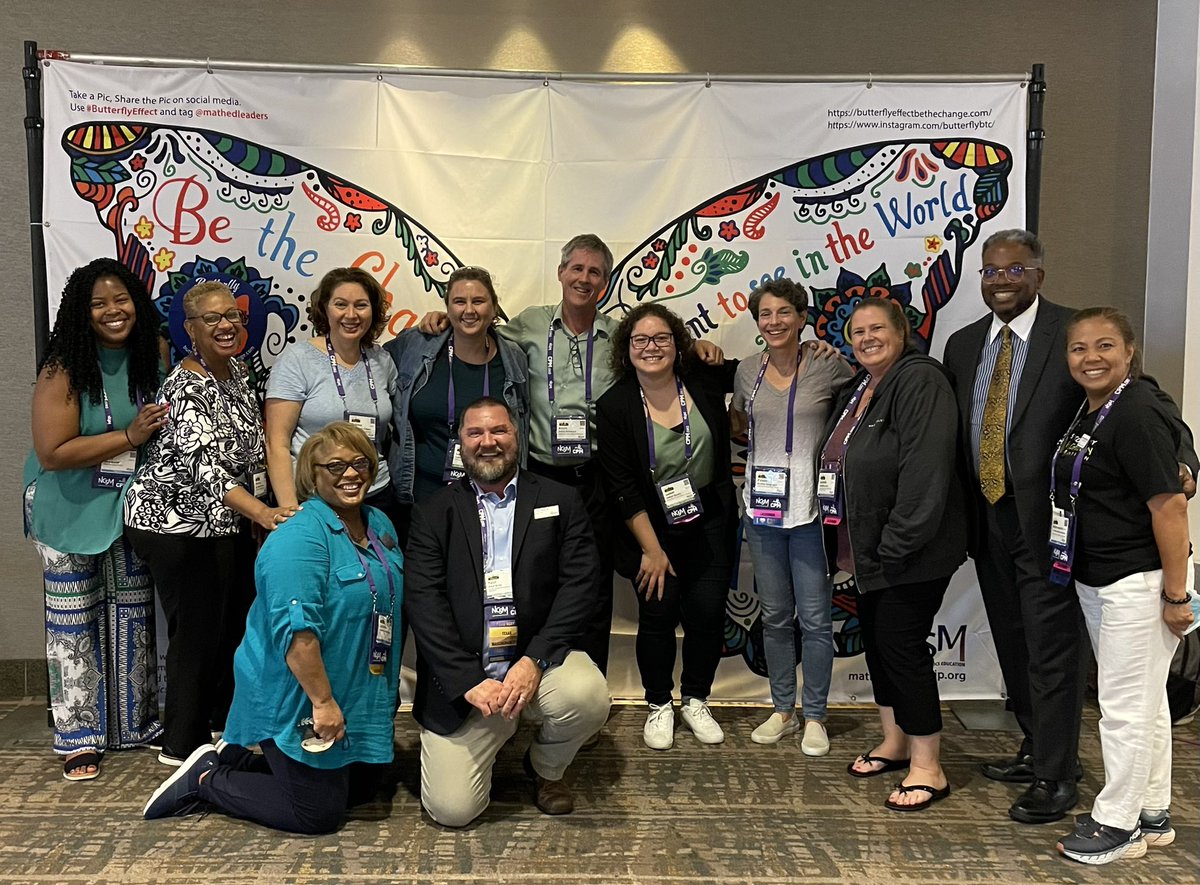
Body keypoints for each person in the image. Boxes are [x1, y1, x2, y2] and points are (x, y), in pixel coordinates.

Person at [941, 229, 1198, 825]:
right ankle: (1037, 746)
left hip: (1055, 531)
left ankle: (1058, 776)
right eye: (990, 271)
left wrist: (1184, 459)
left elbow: (1148, 400)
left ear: (1038, 274)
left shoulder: (1073, 333)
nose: (1001, 279)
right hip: (990, 523)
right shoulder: (961, 344)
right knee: (1013, 642)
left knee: (1053, 653)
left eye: (1014, 269)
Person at [141, 423, 405, 834]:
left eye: (359, 463)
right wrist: (323, 703)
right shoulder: (298, 538)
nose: (350, 474)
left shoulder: (379, 524)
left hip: (354, 689)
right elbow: (296, 635)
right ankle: (209, 779)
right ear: (311, 475)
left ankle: (241, 759)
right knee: (317, 813)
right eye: (335, 466)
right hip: (299, 694)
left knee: (362, 791)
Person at [404, 396, 610, 827]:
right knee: (453, 812)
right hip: (469, 684)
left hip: (532, 666)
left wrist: (534, 660)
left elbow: (581, 586)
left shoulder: (561, 500)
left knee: (587, 695)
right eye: (475, 432)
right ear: (459, 442)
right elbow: (425, 604)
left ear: (517, 435)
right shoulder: (432, 512)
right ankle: (494, 732)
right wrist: (468, 681)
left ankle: (545, 768)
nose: (487, 442)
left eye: (498, 430)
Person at [124, 280, 299, 765]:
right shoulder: (185, 385)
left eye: (233, 317)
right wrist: (264, 513)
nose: (226, 326)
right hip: (176, 523)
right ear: (190, 330)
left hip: (225, 522)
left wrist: (262, 508)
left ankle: (223, 724)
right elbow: (207, 470)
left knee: (233, 625)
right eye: (212, 319)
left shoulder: (236, 371)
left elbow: (250, 451)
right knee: (198, 632)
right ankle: (180, 742)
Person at [1050, 308, 1193, 864]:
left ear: (1129, 351)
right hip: (1100, 577)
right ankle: (1152, 812)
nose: (1091, 357)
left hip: (1136, 580)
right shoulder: (1093, 411)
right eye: (1079, 348)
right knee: (1146, 703)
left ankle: (1118, 824)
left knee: (1124, 709)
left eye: (1104, 345)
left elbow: (1170, 506)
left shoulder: (1135, 411)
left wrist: (1176, 596)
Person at [24, 258, 169, 781]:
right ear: (81, 314)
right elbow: (52, 451)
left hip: (127, 503)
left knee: (133, 610)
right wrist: (128, 439)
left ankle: (135, 722)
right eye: (99, 304)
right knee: (73, 619)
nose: (113, 311)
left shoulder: (152, 350)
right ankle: (77, 735)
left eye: (121, 299)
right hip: (66, 504)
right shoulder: (64, 366)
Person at [821, 298, 966, 811]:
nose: (866, 338)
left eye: (877, 328)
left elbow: (925, 472)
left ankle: (930, 765)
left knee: (901, 648)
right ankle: (896, 741)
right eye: (857, 331)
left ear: (902, 331)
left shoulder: (919, 380)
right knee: (880, 646)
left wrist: (896, 546)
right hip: (866, 552)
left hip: (909, 552)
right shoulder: (862, 386)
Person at [596, 303, 738, 750]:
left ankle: (696, 698)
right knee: (657, 616)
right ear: (627, 349)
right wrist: (652, 551)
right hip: (650, 528)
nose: (651, 348)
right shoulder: (615, 405)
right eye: (641, 340)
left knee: (708, 615)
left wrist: (812, 349)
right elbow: (621, 486)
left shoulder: (704, 381)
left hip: (710, 519)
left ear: (678, 345)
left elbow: (766, 369)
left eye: (661, 339)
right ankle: (658, 703)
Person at [729, 278, 852, 755]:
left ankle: (816, 715)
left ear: (803, 318)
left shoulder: (827, 365)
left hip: (810, 512)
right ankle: (782, 708)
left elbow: (861, 405)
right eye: (765, 314)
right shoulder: (746, 371)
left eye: (784, 313)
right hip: (761, 512)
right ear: (757, 322)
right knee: (776, 616)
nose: (774, 322)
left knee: (817, 620)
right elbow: (738, 422)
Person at [385, 266, 528, 540]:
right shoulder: (416, 345)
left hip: (491, 500)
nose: (469, 310)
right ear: (447, 309)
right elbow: (369, 362)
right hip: (420, 498)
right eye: (459, 302)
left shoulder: (514, 358)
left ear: (495, 308)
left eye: (479, 301)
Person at [265, 267, 400, 526]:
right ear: (325, 308)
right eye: (341, 304)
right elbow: (277, 444)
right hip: (316, 500)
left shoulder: (382, 360)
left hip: (375, 496)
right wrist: (289, 511)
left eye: (361, 305)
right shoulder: (298, 359)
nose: (351, 315)